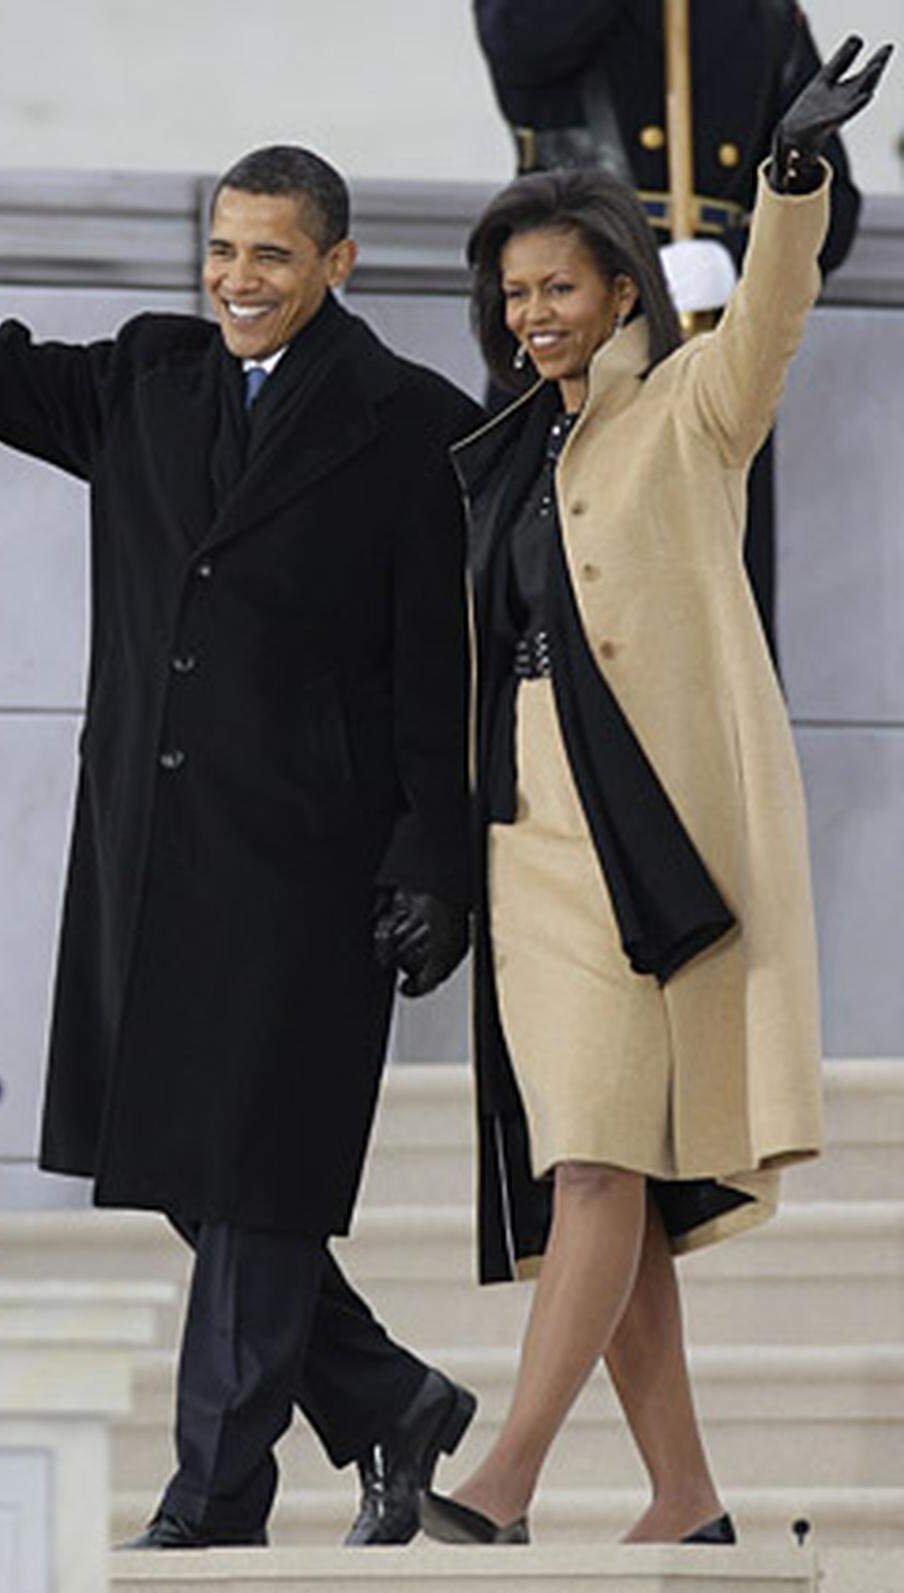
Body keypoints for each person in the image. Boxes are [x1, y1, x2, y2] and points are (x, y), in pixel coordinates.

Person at [0, 97, 485, 1548]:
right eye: (221, 248)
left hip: (312, 866)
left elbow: (430, 674)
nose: (237, 277)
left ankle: (216, 1498)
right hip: (149, 851)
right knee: (200, 1171)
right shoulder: (152, 377)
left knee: (259, 1185)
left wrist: (434, 859)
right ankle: (387, 1398)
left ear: (340, 263)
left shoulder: (414, 430)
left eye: (270, 253)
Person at [418, 34, 891, 1547]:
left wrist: (794, 176)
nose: (531, 312)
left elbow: (775, 310)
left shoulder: (693, 411)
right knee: (594, 1170)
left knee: (606, 1159)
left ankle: (505, 1478)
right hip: (528, 849)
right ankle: (685, 1499)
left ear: (622, 289)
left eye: (558, 285)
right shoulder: (494, 454)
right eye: (513, 293)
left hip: (645, 846)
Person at [471, 0, 864, 655]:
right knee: (550, 597)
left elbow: (836, 204)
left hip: (703, 340)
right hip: (571, 323)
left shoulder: (762, 14)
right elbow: (522, 48)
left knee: (706, 619)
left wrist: (733, 259)